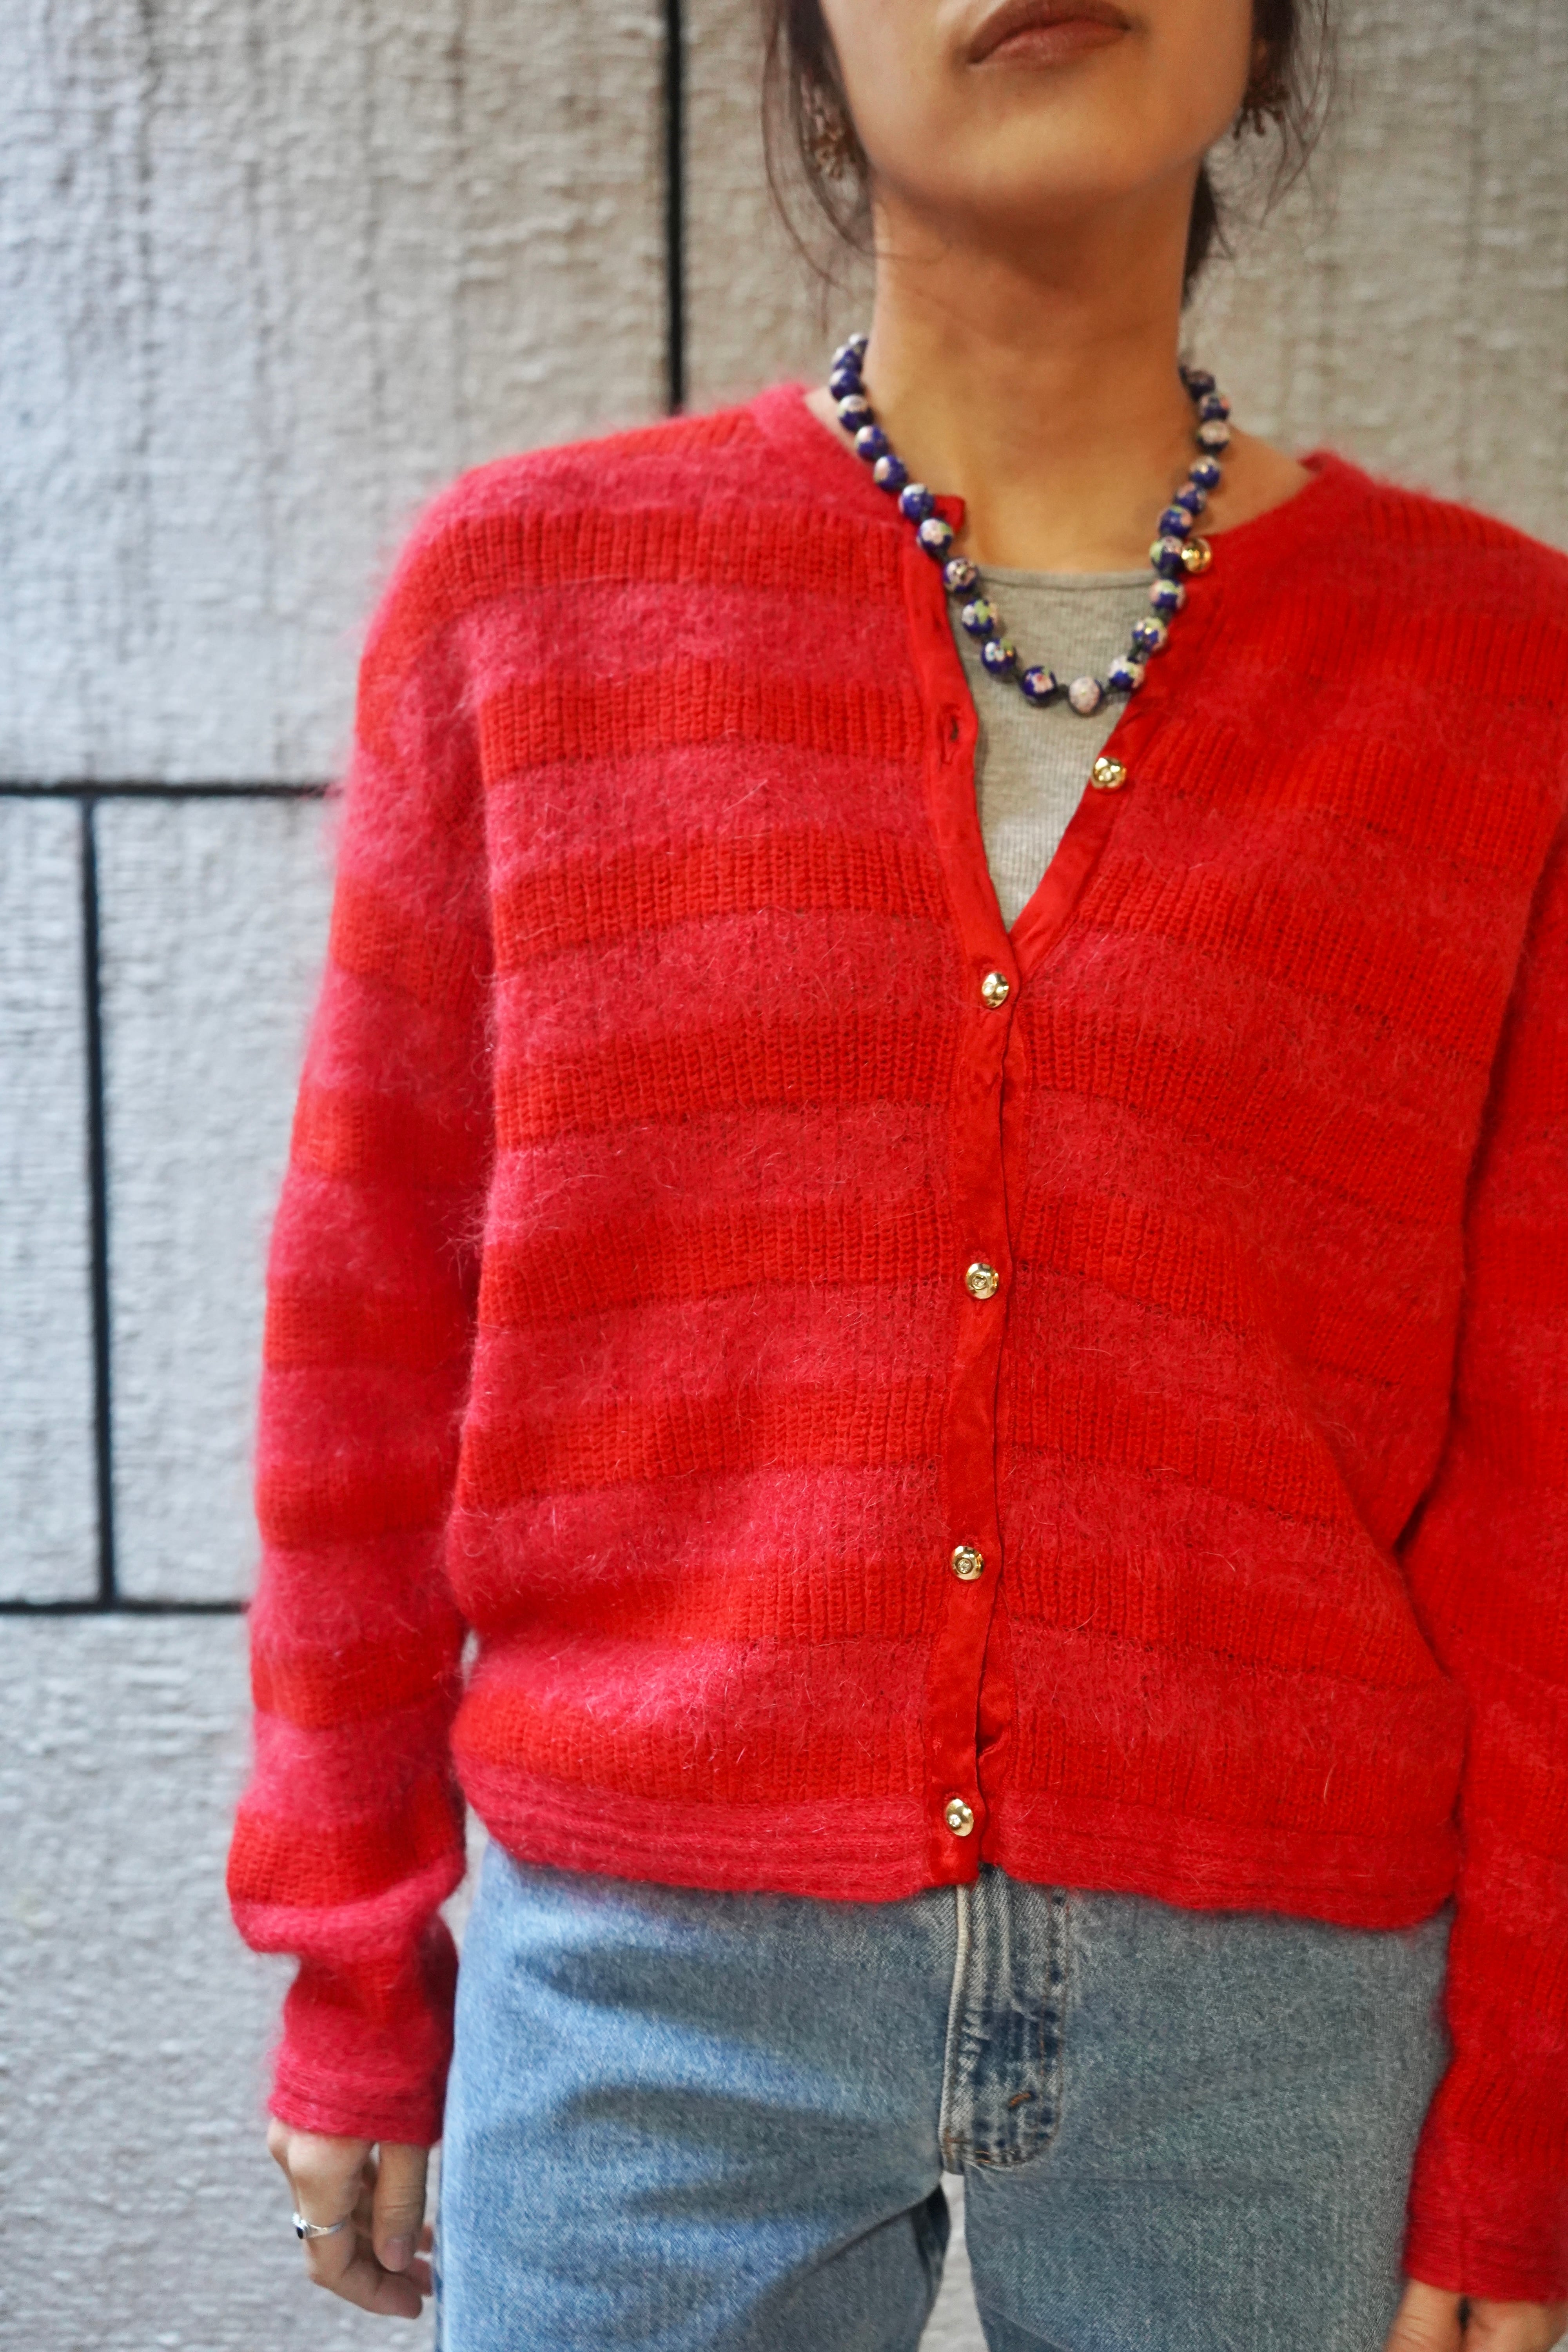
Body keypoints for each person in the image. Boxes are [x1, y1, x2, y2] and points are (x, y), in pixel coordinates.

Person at [228, 0, 1568, 2345]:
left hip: (1284, 2023)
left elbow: (1546, 1464)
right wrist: (355, 1951)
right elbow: (367, 1332)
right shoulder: (529, 605)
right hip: (650, 1979)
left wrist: (1526, 2113)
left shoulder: (1500, 678)